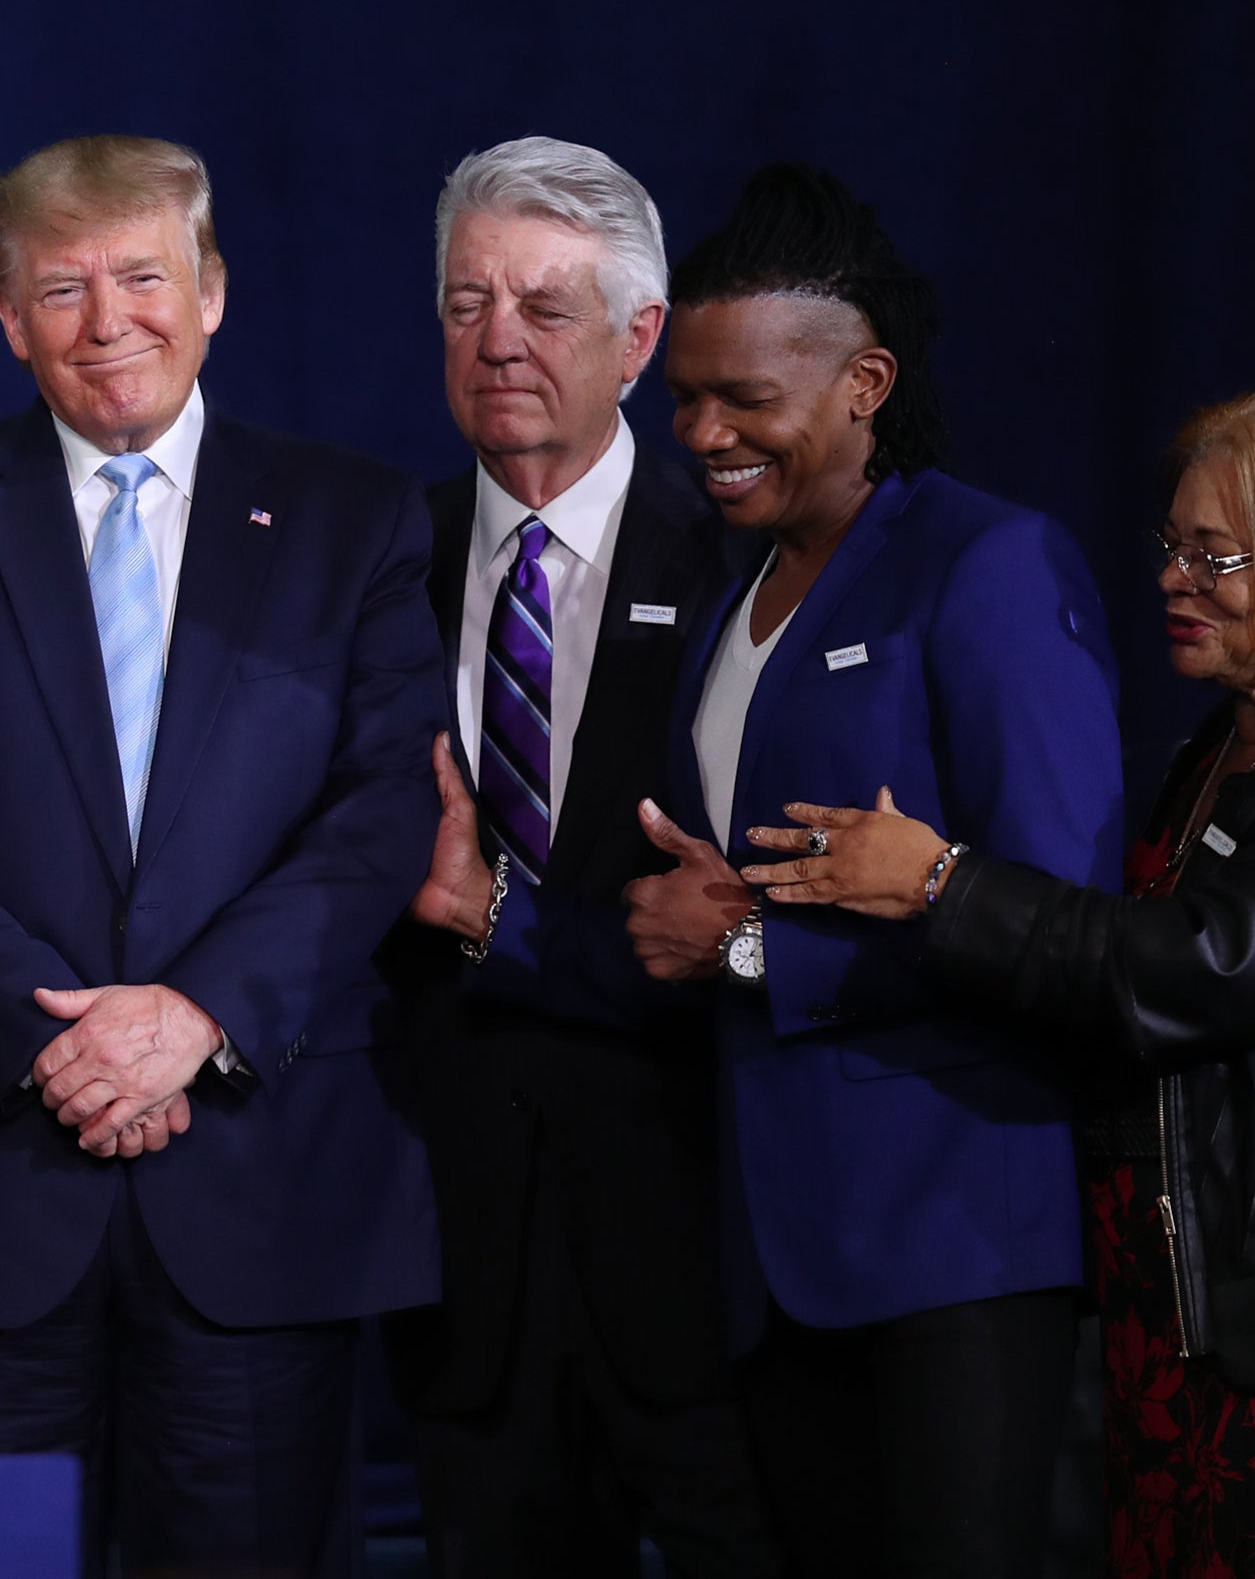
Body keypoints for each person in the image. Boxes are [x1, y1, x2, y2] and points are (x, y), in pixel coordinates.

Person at [0, 134, 447, 1576]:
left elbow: (381, 808)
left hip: (256, 1181)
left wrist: (195, 1016)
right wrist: (57, 1043)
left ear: (212, 289)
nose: (109, 323)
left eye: (144, 277)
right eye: (62, 288)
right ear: (4, 315)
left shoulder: (355, 518)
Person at [738, 378, 1255, 1578]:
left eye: (1213, 553)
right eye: (1169, 545)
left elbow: (1195, 968)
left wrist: (939, 882)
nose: (1169, 580)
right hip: (1171, 1329)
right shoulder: (1220, 743)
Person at [611, 163, 1122, 1576]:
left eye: (746, 399)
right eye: (687, 397)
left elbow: (1057, 923)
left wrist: (756, 952)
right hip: (774, 1250)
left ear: (863, 381)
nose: (705, 431)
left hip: (956, 1236)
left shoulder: (989, 563)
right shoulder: (733, 600)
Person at [390, 138, 777, 1576]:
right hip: (458, 1253)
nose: (496, 341)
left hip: (704, 1241)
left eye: (544, 307)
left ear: (640, 336)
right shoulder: (378, 565)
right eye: (463, 302)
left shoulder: (746, 565)